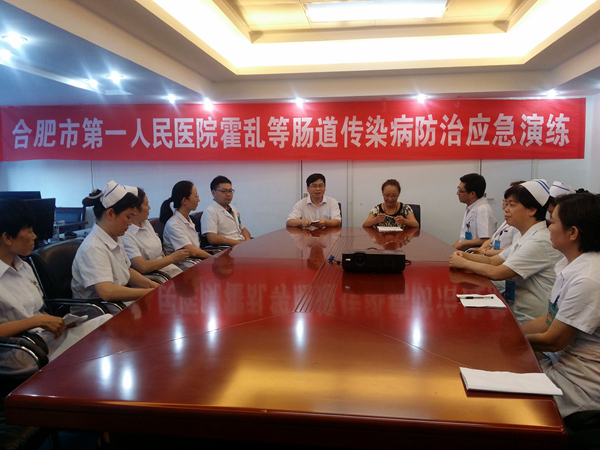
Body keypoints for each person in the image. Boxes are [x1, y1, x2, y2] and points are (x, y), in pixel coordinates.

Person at [0, 198, 110, 376]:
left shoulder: (23, 266)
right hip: (23, 352)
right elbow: (32, 319)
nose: (34, 236)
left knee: (105, 323)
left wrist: (58, 322)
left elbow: (36, 310)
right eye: (29, 231)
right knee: (94, 354)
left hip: (43, 338)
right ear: (7, 238)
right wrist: (37, 321)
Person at [521, 193, 600, 418]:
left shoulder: (588, 279)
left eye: (553, 222)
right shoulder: (571, 264)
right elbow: (550, 319)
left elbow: (554, 340)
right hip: (560, 363)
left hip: (579, 382)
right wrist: (507, 331)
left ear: (572, 232)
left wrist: (510, 339)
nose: (548, 227)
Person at [449, 179, 563, 322]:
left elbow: (497, 272)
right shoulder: (526, 236)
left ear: (532, 210)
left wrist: (464, 263)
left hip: (530, 319)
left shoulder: (539, 240)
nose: (506, 209)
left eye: (512, 205)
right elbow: (493, 261)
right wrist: (464, 256)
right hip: (515, 309)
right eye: (506, 204)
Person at [72, 181, 159, 303]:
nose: (130, 223)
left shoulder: (115, 238)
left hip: (117, 305)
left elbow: (126, 270)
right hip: (99, 311)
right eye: (128, 217)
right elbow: (107, 292)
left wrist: (151, 285)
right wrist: (148, 293)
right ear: (110, 214)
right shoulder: (93, 247)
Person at [121, 187, 188, 279]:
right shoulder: (125, 234)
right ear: (135, 210)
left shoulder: (146, 223)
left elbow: (160, 252)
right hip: (155, 277)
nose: (149, 207)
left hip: (168, 270)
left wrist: (167, 260)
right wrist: (172, 258)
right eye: (146, 204)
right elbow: (142, 267)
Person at [160, 181, 211, 266]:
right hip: (183, 267)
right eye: (196, 196)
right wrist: (213, 258)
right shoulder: (173, 224)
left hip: (195, 262)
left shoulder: (189, 219)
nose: (198, 200)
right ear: (185, 201)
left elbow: (196, 248)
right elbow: (192, 252)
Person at [472, 181, 524, 257]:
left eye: (510, 198)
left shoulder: (519, 226)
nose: (504, 199)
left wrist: (484, 252)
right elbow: (491, 240)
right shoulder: (507, 220)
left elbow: (512, 252)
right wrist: (481, 250)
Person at [201, 176, 251, 246]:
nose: (228, 194)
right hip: (227, 248)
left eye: (230, 191)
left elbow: (243, 229)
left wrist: (248, 242)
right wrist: (239, 244)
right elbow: (212, 238)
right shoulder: (210, 212)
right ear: (213, 193)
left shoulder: (233, 209)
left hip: (241, 245)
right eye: (224, 191)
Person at [452, 173, 496, 250]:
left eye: (460, 191)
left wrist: (463, 244)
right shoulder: (471, 208)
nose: (457, 193)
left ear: (472, 194)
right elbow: (463, 237)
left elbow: (486, 239)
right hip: (466, 250)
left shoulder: (483, 210)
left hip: (475, 252)